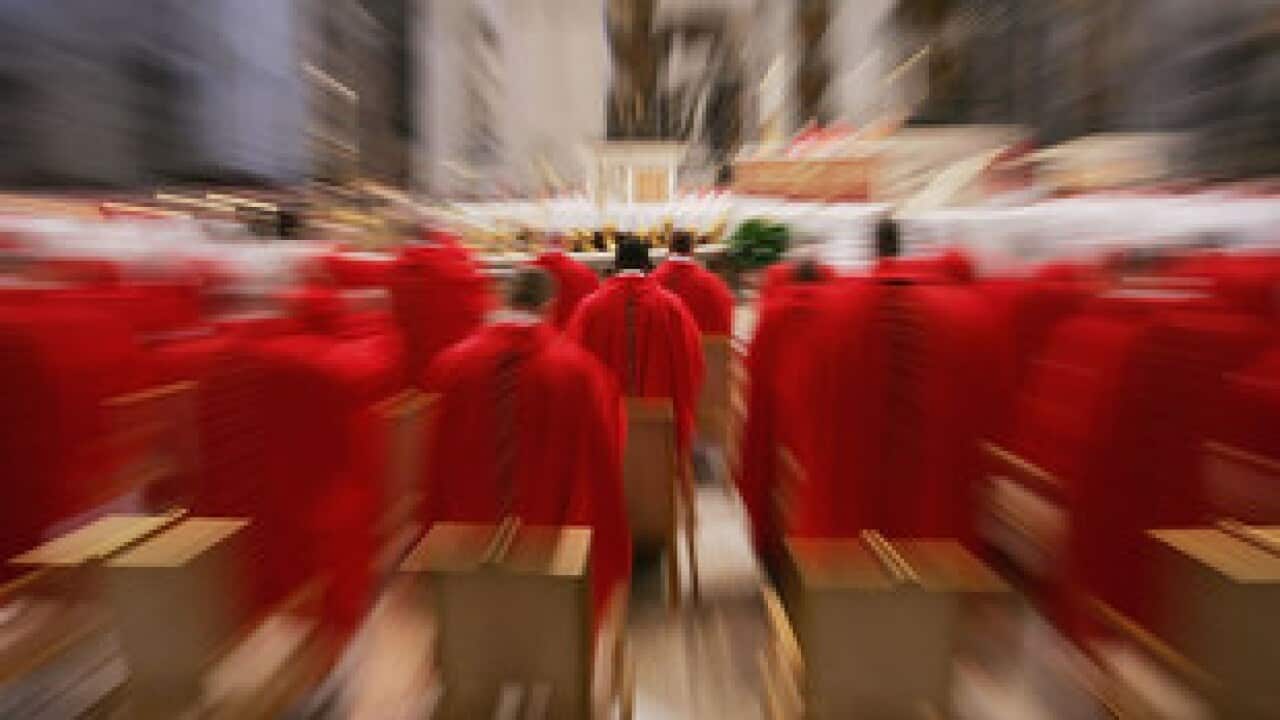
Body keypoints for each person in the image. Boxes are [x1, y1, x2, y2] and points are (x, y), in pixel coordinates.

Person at [421, 267, 630, 622]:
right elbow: (604, 462)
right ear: (550, 307)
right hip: (555, 571)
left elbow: (435, 466)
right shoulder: (582, 373)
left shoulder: (449, 367)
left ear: (503, 301)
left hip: (467, 568)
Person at [736, 257, 835, 576]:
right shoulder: (838, 313)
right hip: (826, 438)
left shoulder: (773, 313)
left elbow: (755, 377)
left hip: (781, 439)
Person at [568, 239, 704, 452]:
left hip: (603, 430)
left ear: (616, 266)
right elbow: (692, 363)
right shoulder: (673, 307)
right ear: (647, 266)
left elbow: (571, 365)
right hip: (660, 431)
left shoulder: (588, 309)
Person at [389, 226, 494, 383]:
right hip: (459, 368)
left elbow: (398, 315)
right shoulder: (465, 265)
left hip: (418, 368)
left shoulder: (399, 268)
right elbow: (484, 311)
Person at [652, 231, 734, 334]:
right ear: (692, 249)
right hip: (703, 341)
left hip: (666, 341)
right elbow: (724, 311)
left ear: (669, 249)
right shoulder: (714, 283)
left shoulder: (652, 281)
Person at [531, 234, 600, 329]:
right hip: (573, 335)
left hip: (536, 336)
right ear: (566, 242)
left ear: (540, 241)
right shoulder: (587, 274)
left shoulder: (524, 273)